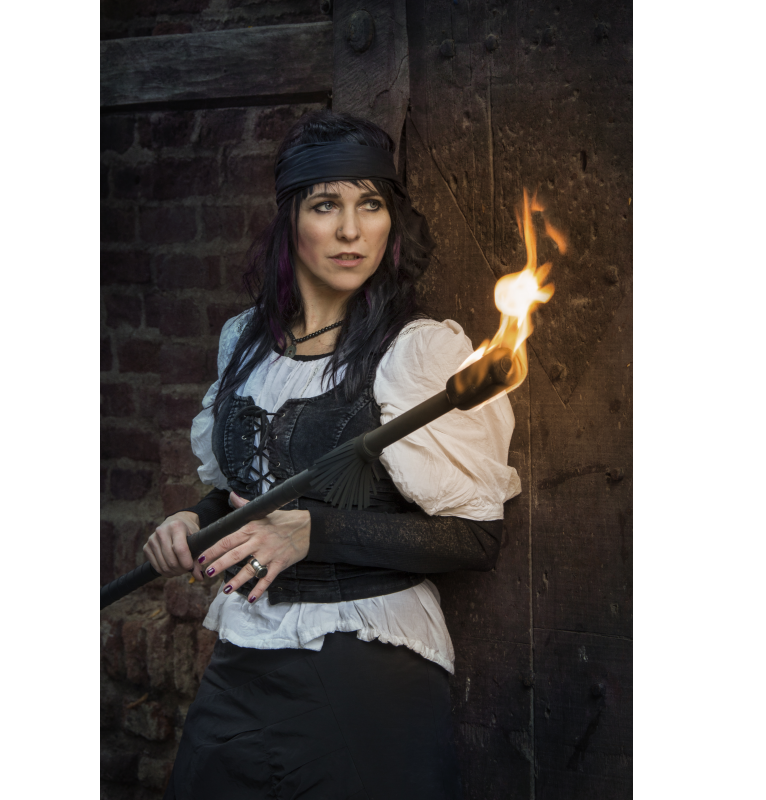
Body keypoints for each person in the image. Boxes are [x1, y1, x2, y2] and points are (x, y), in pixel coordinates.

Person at [143, 109, 521, 799]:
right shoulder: (244, 344)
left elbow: (476, 538)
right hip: (244, 655)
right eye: (326, 206)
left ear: (391, 221)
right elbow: (242, 490)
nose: (352, 230)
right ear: (290, 220)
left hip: (365, 664)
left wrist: (314, 533)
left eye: (370, 205)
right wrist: (194, 522)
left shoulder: (418, 353)